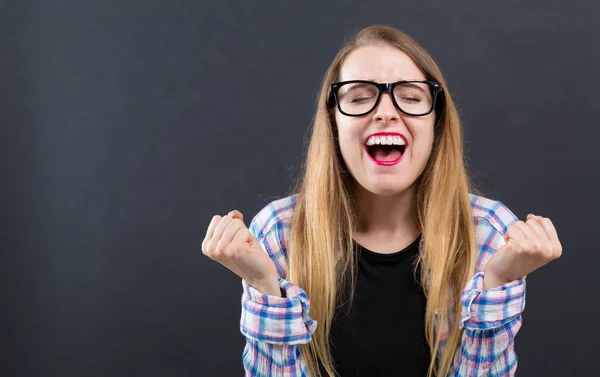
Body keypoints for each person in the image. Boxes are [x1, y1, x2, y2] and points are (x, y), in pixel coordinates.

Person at [201, 25, 562, 377]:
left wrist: (498, 281)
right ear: (334, 124)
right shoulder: (279, 232)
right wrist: (266, 288)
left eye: (409, 97)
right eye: (359, 98)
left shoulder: (490, 233)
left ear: (436, 123)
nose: (385, 112)